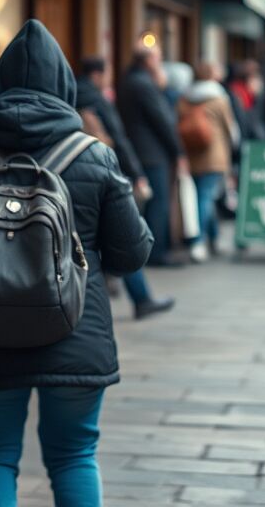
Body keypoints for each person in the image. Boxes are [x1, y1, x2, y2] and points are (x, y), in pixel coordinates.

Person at [0, 20, 153, 507]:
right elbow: (133, 253)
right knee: (73, 455)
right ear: (66, 87)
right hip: (76, 329)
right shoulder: (95, 156)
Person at [75, 56, 175, 319]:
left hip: (71, 176)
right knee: (121, 233)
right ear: (98, 74)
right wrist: (135, 173)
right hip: (98, 172)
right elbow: (118, 137)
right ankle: (141, 298)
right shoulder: (96, 99)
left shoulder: (72, 95)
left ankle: (132, 293)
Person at [117, 43, 187, 267]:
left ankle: (149, 249)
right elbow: (163, 120)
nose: (160, 62)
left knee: (144, 204)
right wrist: (178, 151)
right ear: (148, 61)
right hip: (152, 153)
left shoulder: (127, 80)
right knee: (157, 204)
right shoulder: (145, 84)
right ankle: (156, 252)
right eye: (158, 58)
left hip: (137, 150)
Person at [178, 62, 240, 255]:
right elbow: (231, 129)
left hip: (193, 154)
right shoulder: (220, 98)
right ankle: (199, 241)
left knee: (204, 196)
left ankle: (213, 238)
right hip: (215, 155)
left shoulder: (185, 99)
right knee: (205, 197)